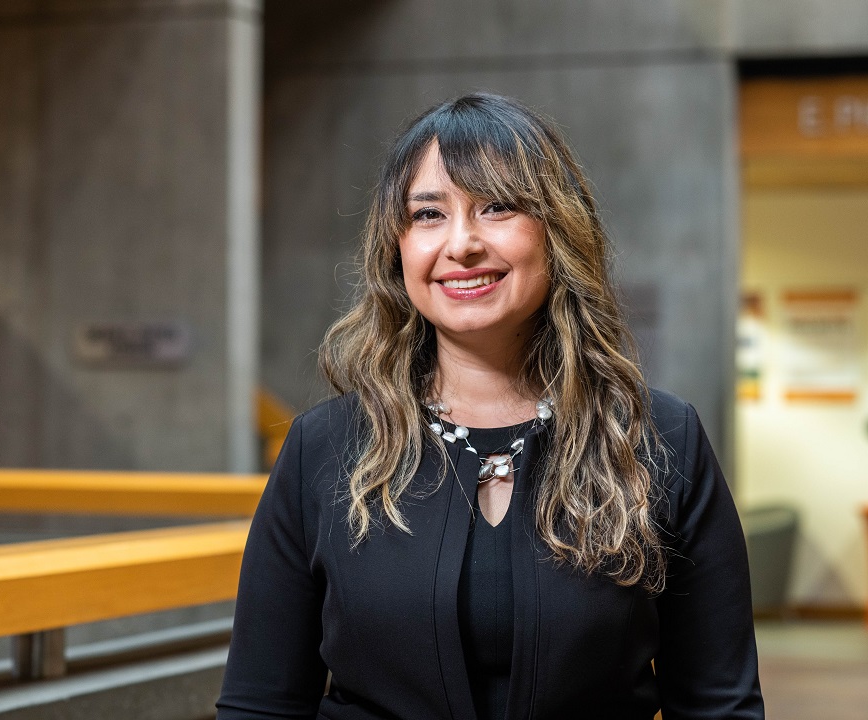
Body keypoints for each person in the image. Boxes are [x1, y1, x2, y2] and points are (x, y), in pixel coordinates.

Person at [216, 93, 764, 719]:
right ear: (397, 249)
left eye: (498, 207)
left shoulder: (659, 438)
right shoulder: (326, 449)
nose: (462, 244)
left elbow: (721, 707)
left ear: (558, 230)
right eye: (428, 214)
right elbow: (260, 706)